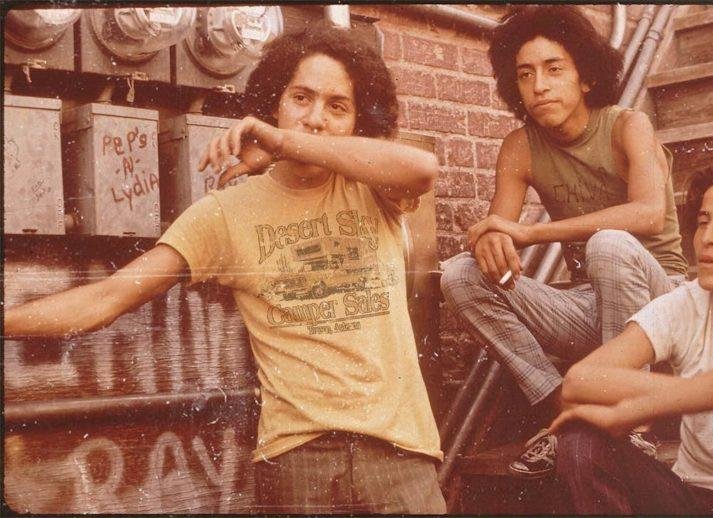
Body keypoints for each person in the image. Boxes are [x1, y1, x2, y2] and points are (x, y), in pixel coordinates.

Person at [4, 23, 447, 514]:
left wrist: (283, 143)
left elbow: (422, 169)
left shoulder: (371, 187)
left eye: (337, 106)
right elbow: (105, 298)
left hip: (399, 454)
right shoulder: (226, 213)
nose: (315, 118)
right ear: (274, 103)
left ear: (358, 120)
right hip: (299, 459)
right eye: (301, 98)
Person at [440, 4, 688, 477]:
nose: (539, 85)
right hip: (592, 307)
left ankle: (627, 418)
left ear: (586, 77)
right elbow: (500, 236)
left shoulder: (628, 125)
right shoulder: (520, 146)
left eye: (554, 69)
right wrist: (487, 239)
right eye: (525, 74)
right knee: (461, 275)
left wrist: (531, 232)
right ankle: (565, 415)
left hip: (664, 307)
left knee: (609, 245)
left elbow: (648, 213)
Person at [551, 156, 713, 514]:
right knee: (581, 442)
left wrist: (649, 403)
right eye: (703, 222)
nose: (708, 239)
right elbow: (580, 380)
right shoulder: (687, 303)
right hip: (689, 496)